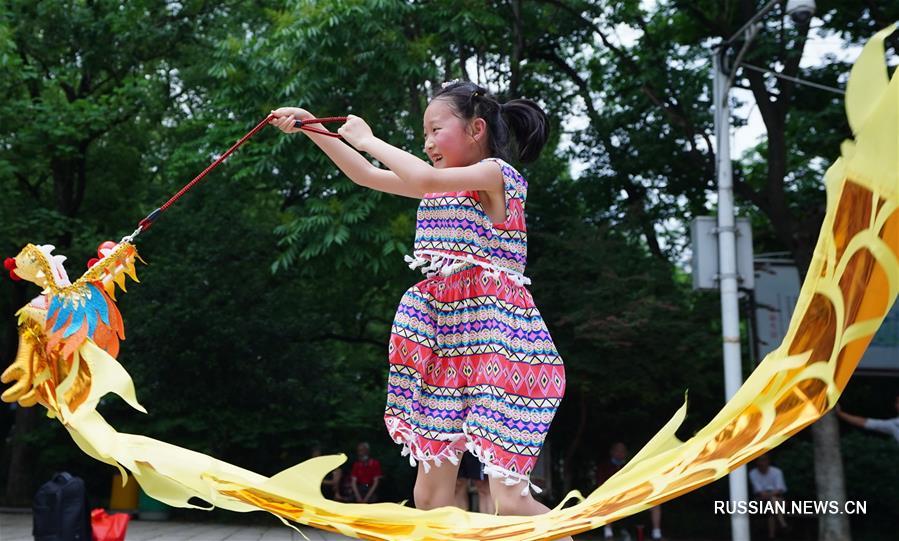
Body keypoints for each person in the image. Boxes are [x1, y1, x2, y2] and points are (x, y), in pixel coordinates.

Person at [271, 80, 567, 531]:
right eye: (423, 134)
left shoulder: (497, 176)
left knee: (508, 499)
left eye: (435, 130)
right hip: (443, 341)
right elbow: (366, 175)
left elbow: (423, 177)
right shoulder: (435, 187)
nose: (427, 143)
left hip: (499, 344)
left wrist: (369, 140)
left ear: (476, 129)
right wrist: (311, 125)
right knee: (428, 496)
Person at [596, 442, 663, 541]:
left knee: (655, 502)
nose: (620, 453)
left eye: (622, 451)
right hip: (612, 498)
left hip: (630, 497)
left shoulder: (629, 467)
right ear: (612, 452)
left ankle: (656, 533)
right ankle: (608, 534)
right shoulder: (604, 467)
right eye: (617, 450)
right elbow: (601, 486)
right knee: (606, 502)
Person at [747, 454, 788, 540]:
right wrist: (771, 494)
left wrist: (770, 495)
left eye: (764, 460)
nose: (762, 463)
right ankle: (783, 524)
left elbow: (780, 489)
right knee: (772, 503)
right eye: (760, 461)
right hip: (760, 501)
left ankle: (771, 536)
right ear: (757, 462)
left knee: (772, 506)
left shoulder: (777, 472)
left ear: (768, 461)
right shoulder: (753, 473)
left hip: (778, 499)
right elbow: (760, 493)